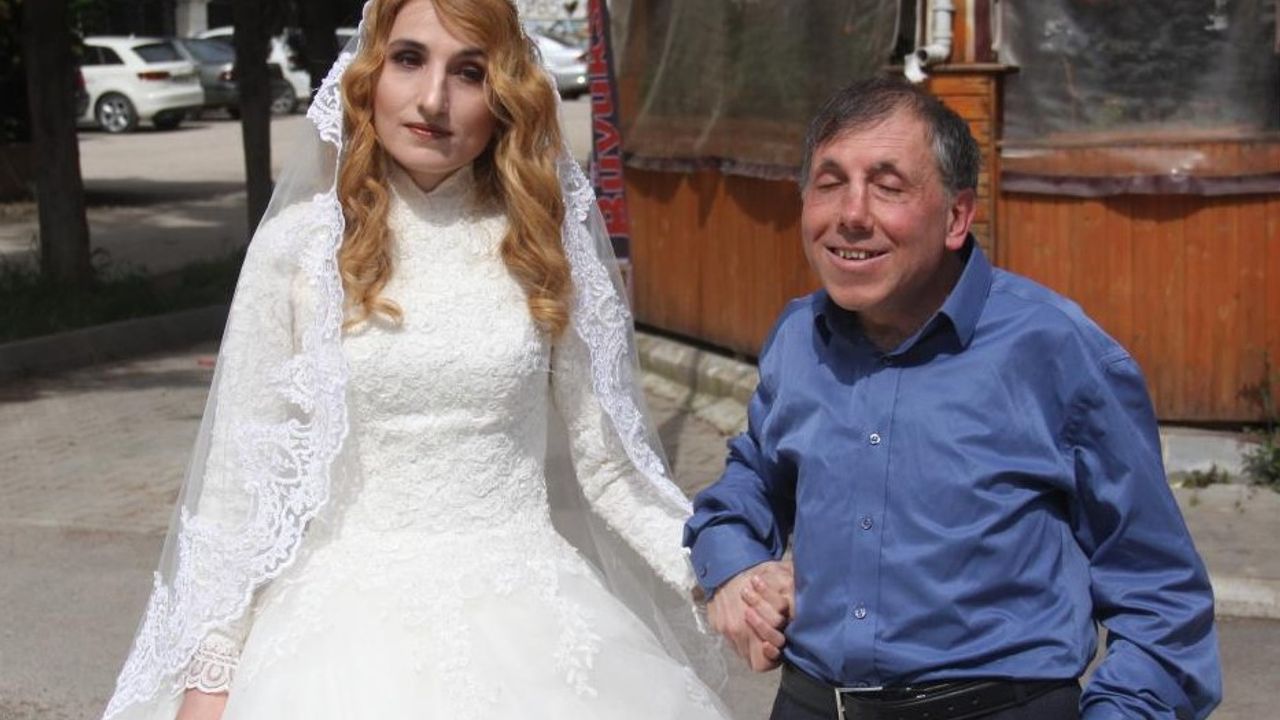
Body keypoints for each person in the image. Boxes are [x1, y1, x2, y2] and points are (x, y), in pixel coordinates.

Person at [102, 1, 744, 718]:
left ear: (505, 95)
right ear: (369, 72)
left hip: (532, 625)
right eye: (409, 59)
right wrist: (212, 675)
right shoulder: (299, 251)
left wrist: (723, 573)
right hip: (338, 645)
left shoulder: (544, 249)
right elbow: (239, 481)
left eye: (469, 72)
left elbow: (613, 467)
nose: (433, 99)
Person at [684, 76, 1222, 720]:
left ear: (957, 217)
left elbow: (1159, 593)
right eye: (829, 183)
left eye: (888, 186)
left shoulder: (1056, 350)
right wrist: (733, 564)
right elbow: (752, 479)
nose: (851, 214)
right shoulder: (798, 337)